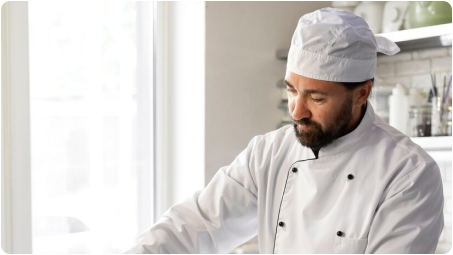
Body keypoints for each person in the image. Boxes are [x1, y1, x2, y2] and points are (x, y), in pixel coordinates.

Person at [125, 8, 444, 254]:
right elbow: (195, 225)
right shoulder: (268, 153)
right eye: (292, 90)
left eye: (316, 97)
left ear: (362, 93)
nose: (296, 110)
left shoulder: (408, 174)